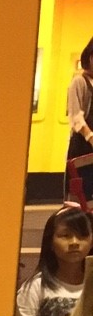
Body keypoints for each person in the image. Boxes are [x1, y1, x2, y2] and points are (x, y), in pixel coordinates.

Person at [65, 38, 93, 205]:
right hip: (82, 148)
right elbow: (76, 117)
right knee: (80, 197)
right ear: (89, 57)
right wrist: (90, 137)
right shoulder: (79, 82)